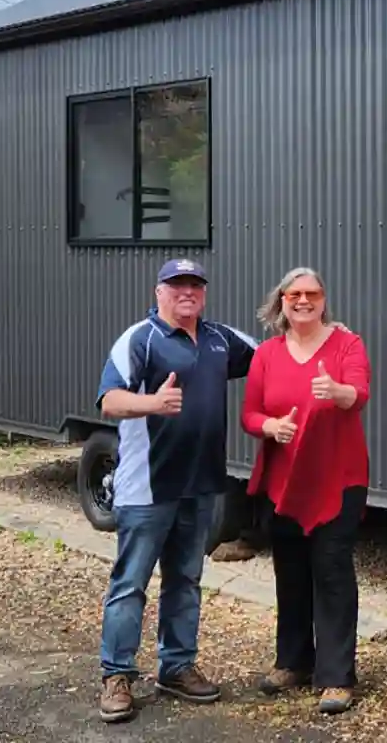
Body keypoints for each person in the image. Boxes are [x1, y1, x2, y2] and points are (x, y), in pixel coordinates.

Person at [94, 258, 259, 725]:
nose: (186, 291)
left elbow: (273, 354)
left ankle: (177, 666)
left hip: (201, 486)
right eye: (176, 284)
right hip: (146, 488)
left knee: (185, 581)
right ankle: (117, 675)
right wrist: (154, 403)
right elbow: (109, 400)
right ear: (159, 291)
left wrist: (326, 335)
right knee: (130, 585)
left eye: (194, 284)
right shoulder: (139, 339)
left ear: (203, 292)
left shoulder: (219, 339)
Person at [240, 266, 371, 716]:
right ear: (281, 301)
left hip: (338, 480)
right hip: (284, 484)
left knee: (332, 573)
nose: (303, 301)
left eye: (312, 293)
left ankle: (336, 676)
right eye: (294, 294)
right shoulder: (267, 354)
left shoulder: (347, 344)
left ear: (323, 299)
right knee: (290, 573)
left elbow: (360, 392)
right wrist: (270, 425)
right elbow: (249, 415)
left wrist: (336, 391)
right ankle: (294, 661)